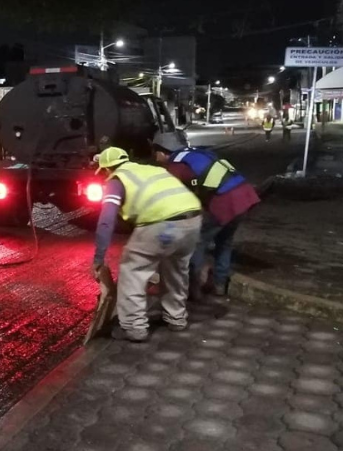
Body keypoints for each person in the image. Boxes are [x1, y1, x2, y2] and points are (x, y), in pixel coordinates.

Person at [91, 146, 203, 342]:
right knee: (176, 271)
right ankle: (176, 319)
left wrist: (99, 258)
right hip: (193, 220)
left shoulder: (117, 180)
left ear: (107, 169)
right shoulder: (152, 170)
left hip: (162, 225)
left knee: (133, 270)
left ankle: (134, 328)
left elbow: (106, 220)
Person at [153, 138, 260, 300]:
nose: (155, 158)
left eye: (155, 153)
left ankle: (193, 289)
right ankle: (219, 285)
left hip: (224, 201)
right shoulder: (197, 153)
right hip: (244, 196)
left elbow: (174, 196)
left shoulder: (176, 165)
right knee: (224, 242)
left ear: (162, 152)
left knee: (198, 242)